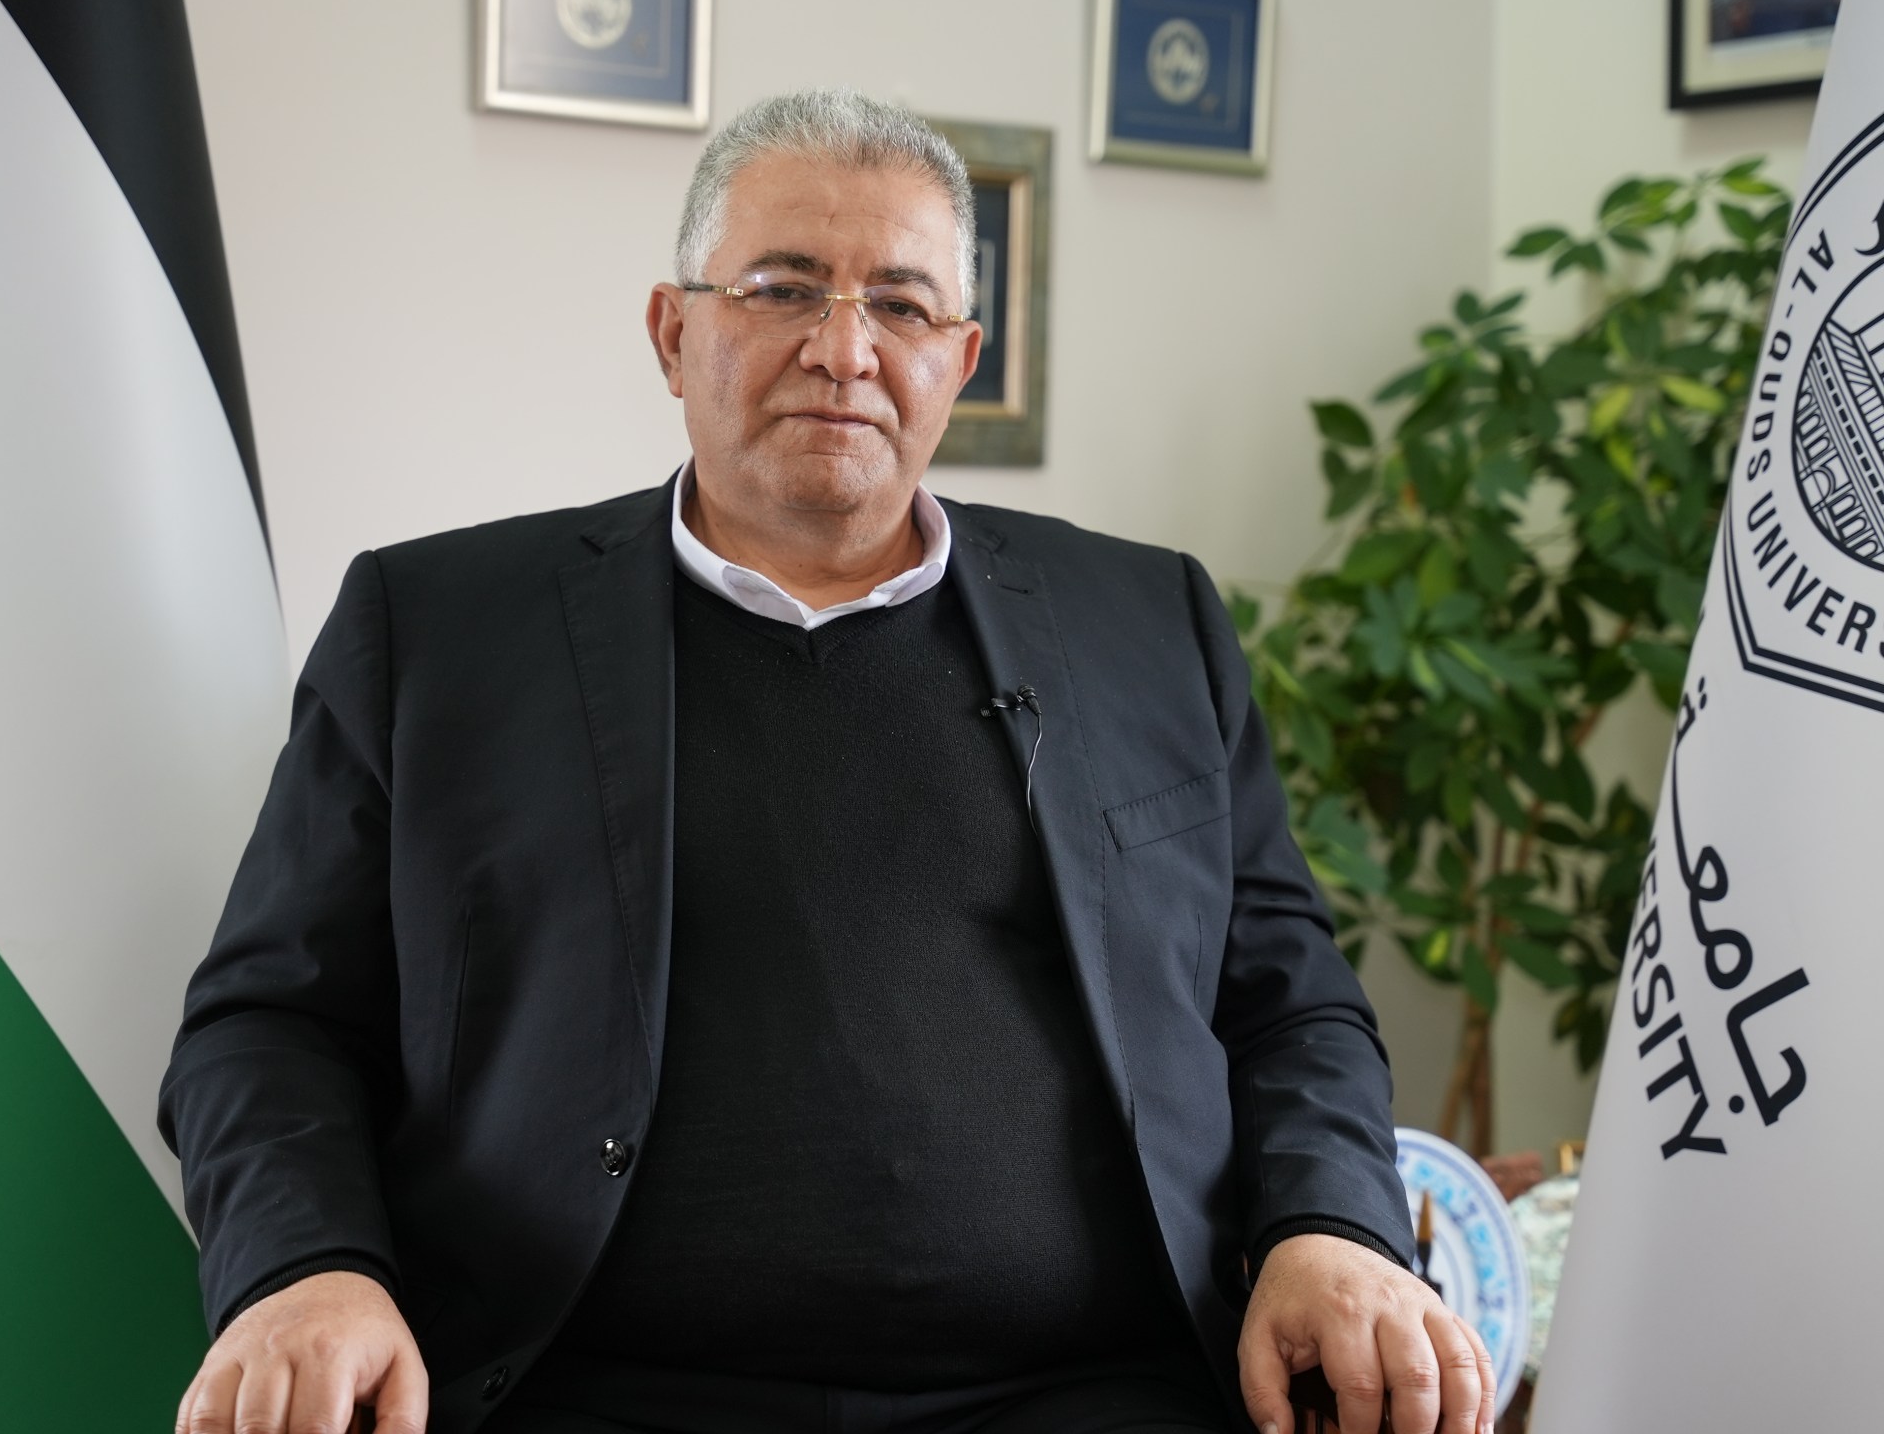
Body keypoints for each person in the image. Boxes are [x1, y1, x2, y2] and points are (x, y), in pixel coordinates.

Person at [159, 90, 1493, 1434]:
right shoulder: (438, 633)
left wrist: (1333, 1228)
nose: (844, 351)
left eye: (901, 306)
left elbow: (1290, 1004)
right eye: (784, 289)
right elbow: (271, 1022)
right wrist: (307, 1268)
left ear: (959, 359)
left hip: (1091, 1394)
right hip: (594, 1393)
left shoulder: (1150, 625)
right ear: (673, 334)